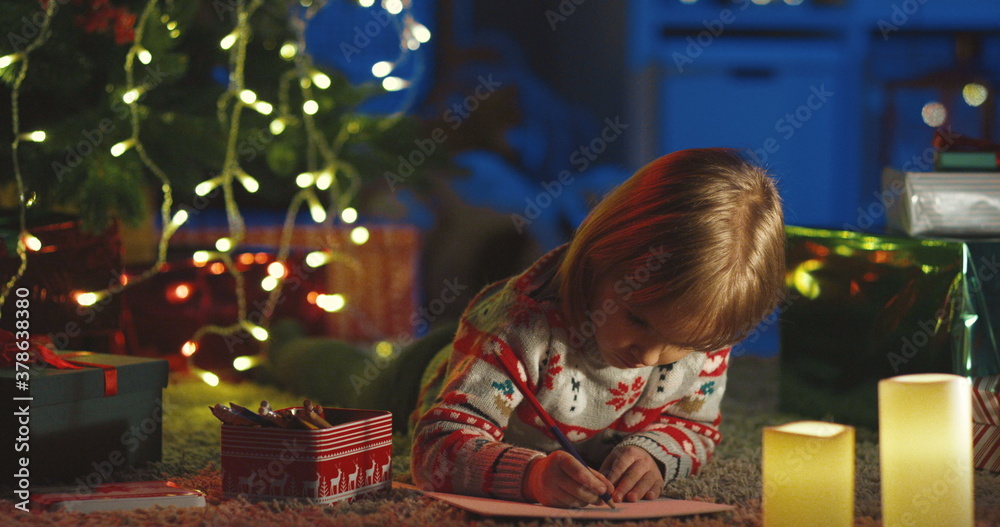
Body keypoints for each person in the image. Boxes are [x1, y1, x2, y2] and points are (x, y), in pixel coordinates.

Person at [410, 148, 786, 508]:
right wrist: (532, 475)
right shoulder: (519, 327)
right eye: (637, 319)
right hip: (438, 366)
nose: (649, 356)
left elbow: (696, 428)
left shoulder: (701, 327)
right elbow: (435, 448)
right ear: (596, 256)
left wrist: (653, 455)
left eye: (682, 343)